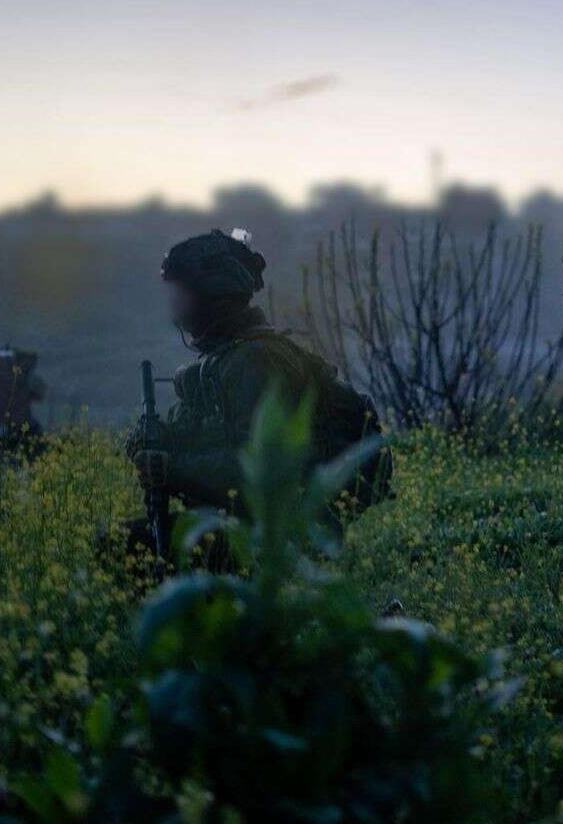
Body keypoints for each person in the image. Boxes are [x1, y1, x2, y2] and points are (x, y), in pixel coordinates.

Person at [117, 229, 388, 571]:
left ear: (211, 294)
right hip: (233, 524)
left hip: (269, 537)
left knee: (119, 547)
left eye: (182, 292)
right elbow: (196, 434)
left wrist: (172, 470)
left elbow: (255, 467)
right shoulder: (221, 361)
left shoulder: (254, 362)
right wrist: (151, 440)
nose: (175, 304)